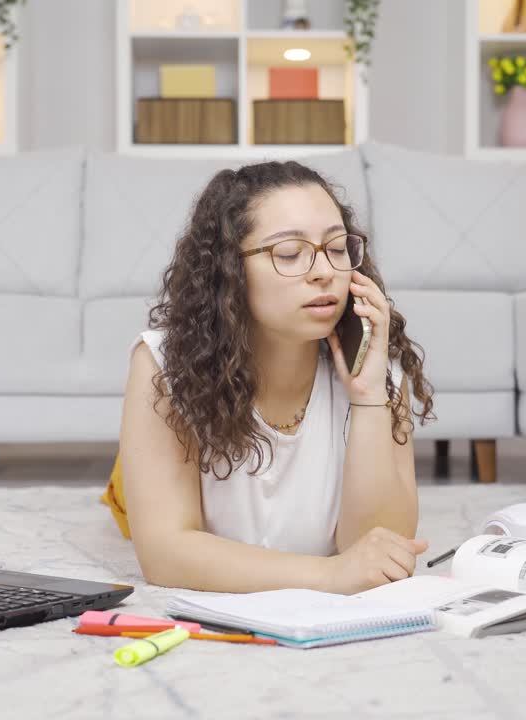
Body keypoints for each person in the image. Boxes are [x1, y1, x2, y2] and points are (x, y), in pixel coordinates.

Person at [104, 160, 435, 595]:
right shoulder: (163, 364)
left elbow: (379, 554)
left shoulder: (379, 371)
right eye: (289, 253)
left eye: (337, 248)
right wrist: (328, 575)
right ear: (230, 271)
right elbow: (165, 552)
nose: (324, 272)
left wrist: (369, 395)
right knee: (130, 505)